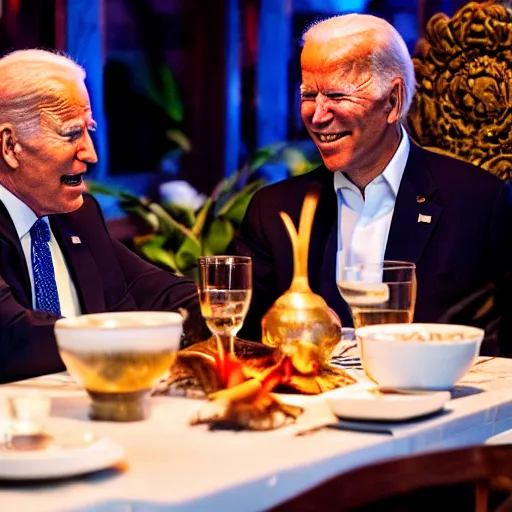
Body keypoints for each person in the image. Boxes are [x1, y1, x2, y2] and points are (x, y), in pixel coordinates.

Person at [233, 14, 512, 356]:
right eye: (309, 95)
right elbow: (240, 341)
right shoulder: (275, 211)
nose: (318, 116)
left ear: (393, 101)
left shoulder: (479, 203)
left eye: (336, 94)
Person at [0, 49, 208, 384]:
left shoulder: (79, 214)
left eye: (88, 131)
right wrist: (129, 338)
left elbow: (157, 292)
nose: (90, 154)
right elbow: (12, 336)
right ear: (10, 146)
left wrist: (236, 312)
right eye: (71, 134)